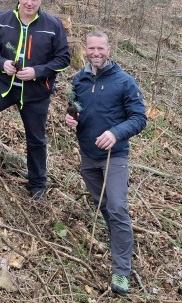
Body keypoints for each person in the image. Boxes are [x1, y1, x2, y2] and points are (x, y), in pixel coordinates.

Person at [0, 0, 70, 200]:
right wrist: (1, 63)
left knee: (36, 139)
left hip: (36, 92)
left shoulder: (53, 25)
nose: (29, 2)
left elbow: (63, 59)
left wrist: (37, 71)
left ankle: (37, 186)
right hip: (4, 84)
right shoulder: (3, 19)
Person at [65, 31, 147, 296]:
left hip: (115, 157)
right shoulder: (80, 79)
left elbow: (139, 118)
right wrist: (71, 119)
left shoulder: (124, 82)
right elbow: (74, 108)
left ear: (109, 50)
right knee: (103, 207)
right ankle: (119, 241)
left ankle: (121, 272)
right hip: (88, 156)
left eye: (101, 48)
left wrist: (115, 133)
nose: (96, 53)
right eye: (91, 48)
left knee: (117, 207)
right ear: (85, 50)